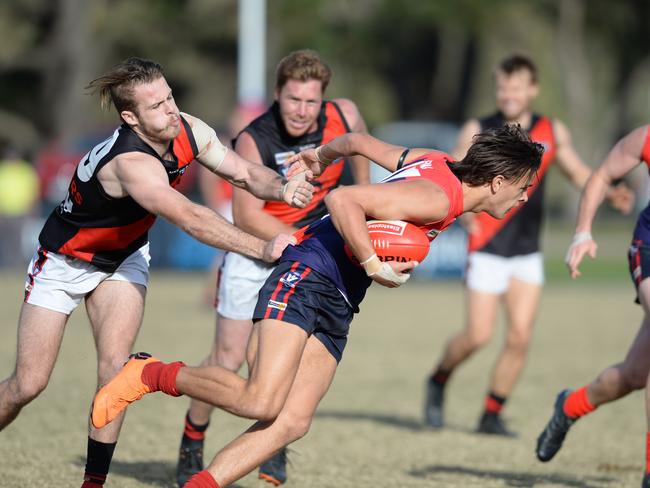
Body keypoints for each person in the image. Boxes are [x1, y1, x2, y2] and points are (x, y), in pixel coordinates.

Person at [91, 124, 544, 488]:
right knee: (259, 400)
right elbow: (342, 198)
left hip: (340, 297)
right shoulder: (436, 197)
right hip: (310, 274)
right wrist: (373, 263)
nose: (525, 198)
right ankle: (147, 373)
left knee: (291, 421)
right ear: (499, 181)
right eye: (523, 188)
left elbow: (358, 142)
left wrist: (322, 156)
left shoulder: (438, 162)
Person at [0, 57, 314, 488]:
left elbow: (241, 172)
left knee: (115, 370)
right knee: (28, 384)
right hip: (64, 261)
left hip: (123, 258)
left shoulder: (185, 126)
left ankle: (93, 484)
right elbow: (190, 218)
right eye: (157, 105)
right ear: (131, 117)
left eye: (169, 96)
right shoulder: (131, 163)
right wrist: (262, 247)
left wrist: (282, 187)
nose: (170, 109)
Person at [176, 49, 369, 487]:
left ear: (324, 100)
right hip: (257, 250)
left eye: (311, 102)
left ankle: (273, 445)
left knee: (284, 363)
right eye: (293, 100)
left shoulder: (344, 114)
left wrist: (363, 197)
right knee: (229, 359)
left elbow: (359, 150)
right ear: (278, 94)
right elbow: (244, 214)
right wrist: (294, 244)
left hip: (312, 255)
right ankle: (193, 435)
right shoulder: (254, 138)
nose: (302, 111)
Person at [423, 54, 634, 436]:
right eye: (502, 86)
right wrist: (463, 213)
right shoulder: (480, 128)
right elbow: (453, 170)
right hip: (485, 246)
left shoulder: (552, 131)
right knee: (478, 335)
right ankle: (439, 377)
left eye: (516, 86)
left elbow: (577, 171)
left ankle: (491, 413)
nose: (508, 93)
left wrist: (609, 191)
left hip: (526, 251)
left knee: (520, 336)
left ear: (532, 89)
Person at [537, 124, 650, 488]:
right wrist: (583, 231)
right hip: (649, 250)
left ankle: (569, 406)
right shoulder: (646, 137)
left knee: (634, 376)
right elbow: (601, 175)